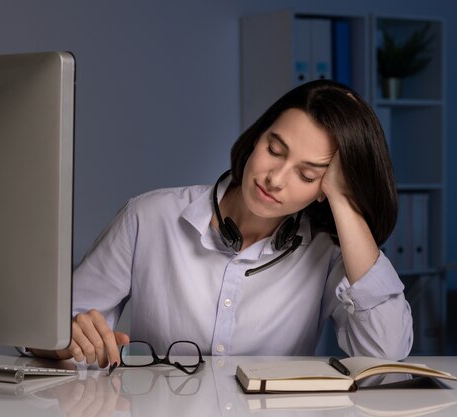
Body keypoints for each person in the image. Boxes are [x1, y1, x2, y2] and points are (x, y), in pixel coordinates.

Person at [31, 79, 413, 368]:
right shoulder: (148, 217)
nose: (275, 178)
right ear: (256, 138)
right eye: (274, 150)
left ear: (323, 190)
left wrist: (344, 200)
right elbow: (45, 330)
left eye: (308, 175)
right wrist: (66, 337)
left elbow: (386, 359)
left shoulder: (326, 252)